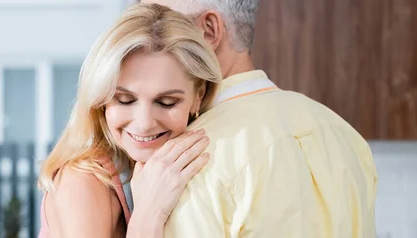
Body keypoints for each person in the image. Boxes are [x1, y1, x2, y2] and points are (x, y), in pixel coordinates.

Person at [139, 0, 379, 237]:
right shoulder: (342, 133)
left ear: (209, 31)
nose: (144, 38)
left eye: (161, 24)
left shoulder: (182, 166)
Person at [37, 4, 223, 238]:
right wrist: (148, 214)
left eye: (166, 102)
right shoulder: (83, 182)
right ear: (101, 99)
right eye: (124, 100)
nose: (144, 123)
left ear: (199, 96)